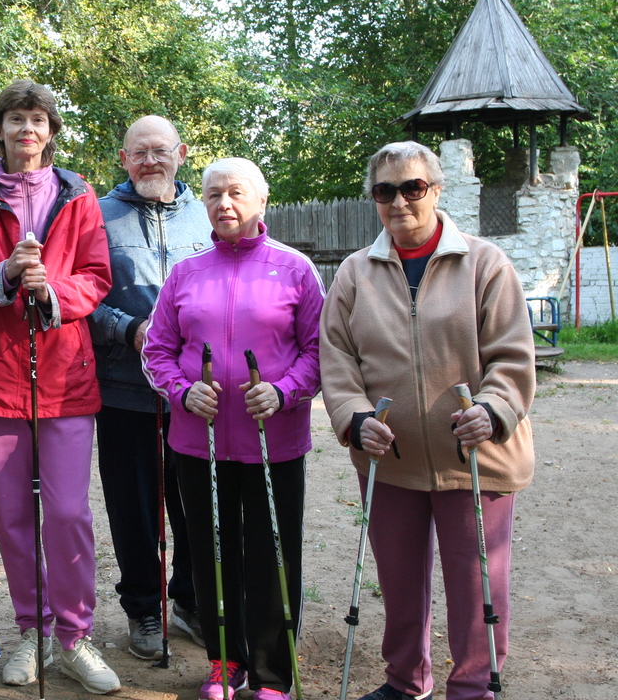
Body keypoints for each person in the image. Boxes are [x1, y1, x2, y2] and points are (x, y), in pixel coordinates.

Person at [319, 141, 535, 700]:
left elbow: (512, 355)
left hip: (476, 458)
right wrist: (355, 417)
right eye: (384, 191)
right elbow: (337, 360)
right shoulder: (353, 273)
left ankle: (473, 687)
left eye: (412, 188)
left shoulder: (485, 263)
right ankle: (405, 680)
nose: (399, 201)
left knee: (477, 582)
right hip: (390, 460)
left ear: (436, 191)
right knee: (398, 582)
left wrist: (493, 410)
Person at [0, 79, 119, 694]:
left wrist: (50, 289)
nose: (27, 129)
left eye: (38, 119)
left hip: (66, 378)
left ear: (50, 131)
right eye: (16, 118)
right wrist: (4, 275)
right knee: (14, 516)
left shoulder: (78, 195)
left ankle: (75, 638)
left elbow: (98, 278)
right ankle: (33, 632)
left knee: (68, 512)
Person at [142, 158, 324, 700]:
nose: (224, 203)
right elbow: (158, 351)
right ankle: (226, 660)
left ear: (261, 201)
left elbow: (319, 351)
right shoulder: (186, 272)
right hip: (200, 442)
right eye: (214, 194)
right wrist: (181, 390)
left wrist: (285, 390)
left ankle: (272, 672)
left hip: (276, 441)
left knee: (271, 553)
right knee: (210, 550)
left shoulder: (295, 269)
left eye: (236, 193)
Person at [88, 115, 209, 659]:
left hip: (195, 394)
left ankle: (189, 601)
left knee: (194, 504)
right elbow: (80, 297)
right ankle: (142, 608)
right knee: (133, 507)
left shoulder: (209, 216)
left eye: (160, 151)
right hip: (122, 388)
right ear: (123, 159)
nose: (150, 162)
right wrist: (129, 329)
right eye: (138, 153)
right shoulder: (96, 217)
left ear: (181, 153)